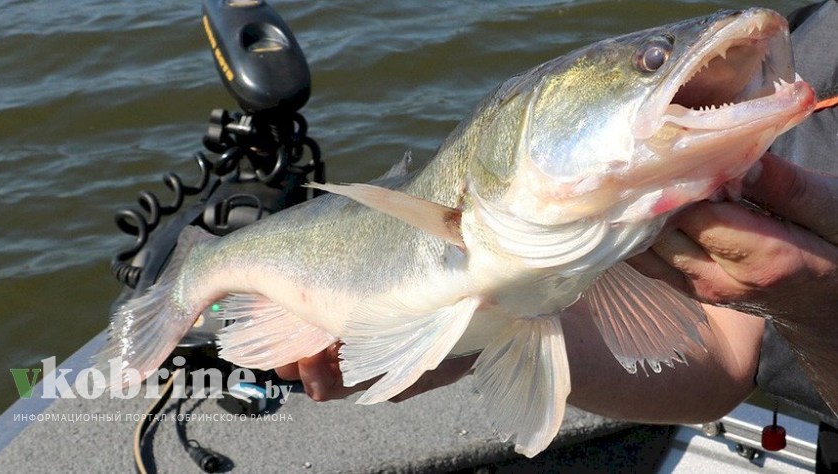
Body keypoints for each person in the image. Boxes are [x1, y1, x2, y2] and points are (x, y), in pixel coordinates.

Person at [275, 0, 838, 469]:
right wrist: (486, 329)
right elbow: (724, 351)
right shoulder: (818, 50)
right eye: (651, 60)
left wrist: (820, 306)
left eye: (652, 61)